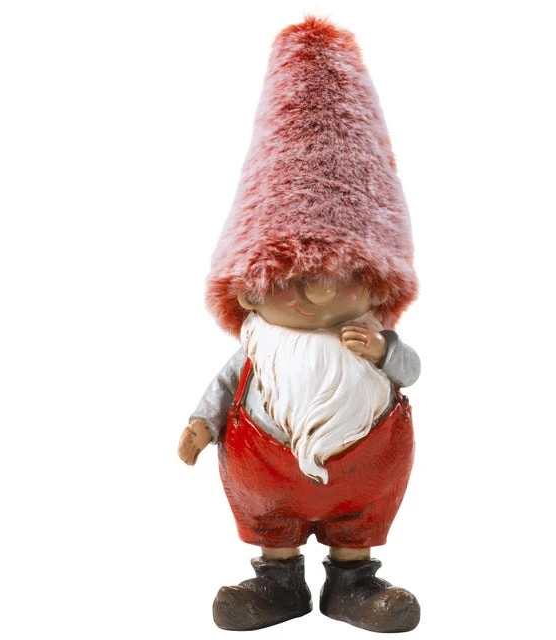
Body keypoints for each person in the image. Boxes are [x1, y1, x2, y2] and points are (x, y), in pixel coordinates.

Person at [177, 17, 422, 633]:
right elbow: (226, 384)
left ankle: (354, 581)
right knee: (271, 516)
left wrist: (384, 352)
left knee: (357, 517)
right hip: (268, 472)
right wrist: (202, 424)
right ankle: (276, 580)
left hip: (364, 467)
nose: (317, 293)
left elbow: (411, 371)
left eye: (339, 275)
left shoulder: (366, 339)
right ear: (250, 291)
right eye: (290, 278)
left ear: (376, 284)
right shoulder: (261, 346)